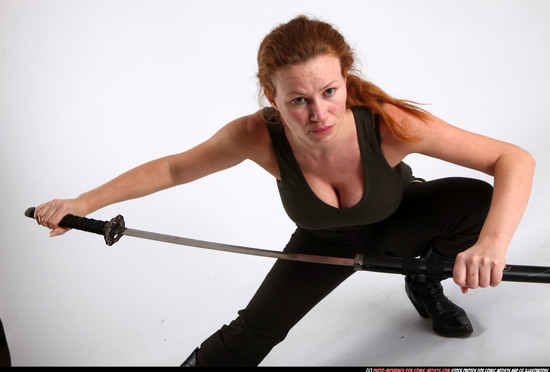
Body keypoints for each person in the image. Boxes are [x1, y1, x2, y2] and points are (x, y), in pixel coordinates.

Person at [33, 15, 535, 367]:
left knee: (476, 203)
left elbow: (512, 158)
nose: (318, 114)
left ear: (345, 78)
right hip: (324, 243)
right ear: (270, 94)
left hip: (402, 220)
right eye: (297, 100)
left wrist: (491, 244)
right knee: (253, 333)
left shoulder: (387, 124)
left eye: (329, 92)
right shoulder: (254, 134)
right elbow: (172, 170)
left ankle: (424, 279)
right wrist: (83, 204)